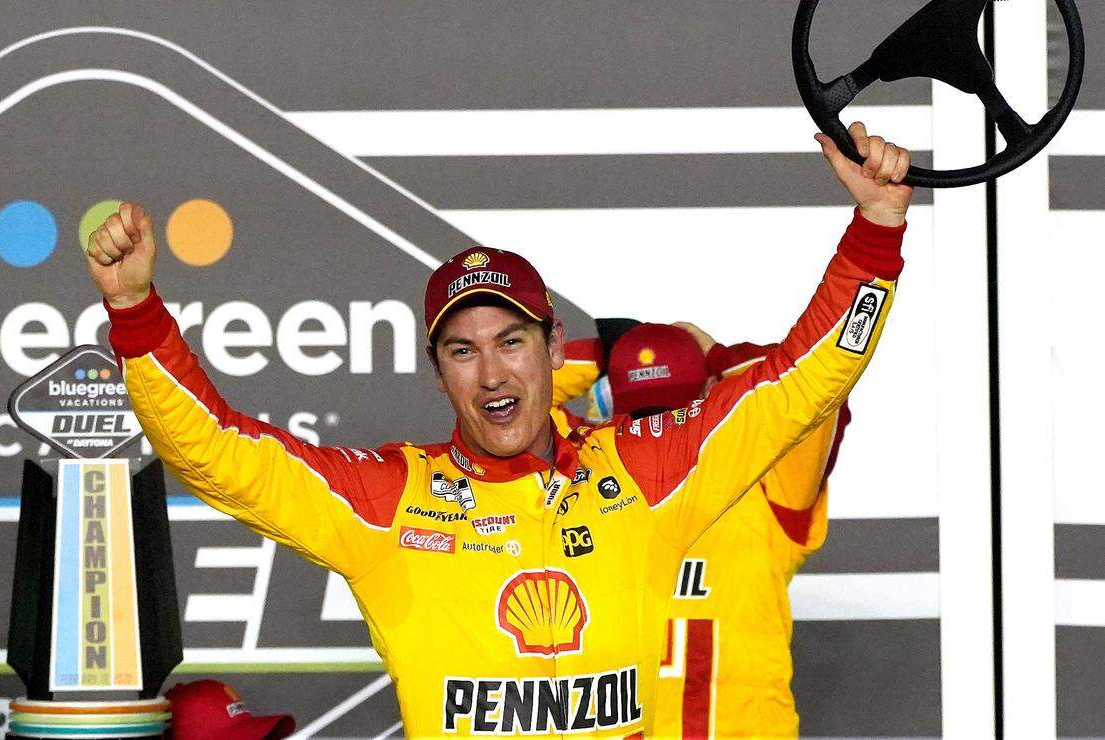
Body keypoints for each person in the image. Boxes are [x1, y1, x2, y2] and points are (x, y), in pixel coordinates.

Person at [83, 124, 912, 738]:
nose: (491, 373)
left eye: (512, 342)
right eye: (463, 350)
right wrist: (136, 313)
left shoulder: (645, 474)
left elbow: (799, 383)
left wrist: (875, 230)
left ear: (555, 349)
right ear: (437, 370)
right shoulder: (389, 502)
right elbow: (215, 453)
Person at [553, 321, 849, 738]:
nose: (662, 430)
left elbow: (823, 387)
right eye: (646, 415)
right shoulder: (578, 476)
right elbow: (810, 376)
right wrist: (716, 359)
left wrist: (606, 355)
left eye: (677, 411)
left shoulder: (766, 477)